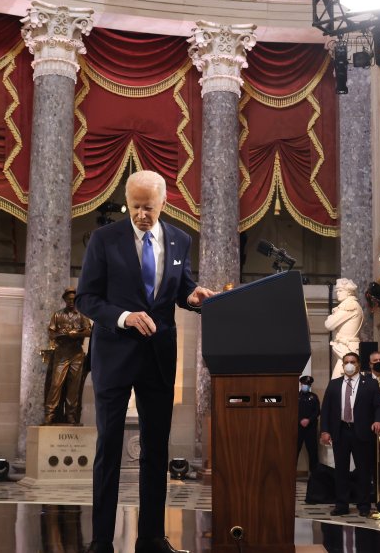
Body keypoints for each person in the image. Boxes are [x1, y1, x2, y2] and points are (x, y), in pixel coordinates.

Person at [76, 170, 215, 553]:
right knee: (108, 447)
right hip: (114, 355)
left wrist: (193, 295)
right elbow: (86, 298)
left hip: (158, 357)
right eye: (135, 207)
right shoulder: (104, 240)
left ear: (163, 204)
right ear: (127, 202)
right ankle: (102, 540)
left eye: (148, 208)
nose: (141, 214)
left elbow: (181, 286)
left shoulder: (180, 240)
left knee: (157, 448)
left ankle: (152, 538)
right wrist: (124, 317)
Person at [320, 351, 380, 517]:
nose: (349, 364)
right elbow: (326, 409)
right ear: (343, 365)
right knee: (340, 470)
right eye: (346, 362)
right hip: (340, 430)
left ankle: (364, 505)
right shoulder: (334, 384)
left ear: (358, 364)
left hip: (362, 431)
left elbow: (379, 406)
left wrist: (378, 420)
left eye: (352, 362)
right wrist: (325, 430)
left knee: (363, 470)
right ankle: (341, 504)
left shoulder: (369, 383)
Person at [44, 287, 94, 424]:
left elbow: (89, 332)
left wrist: (76, 334)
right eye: (68, 299)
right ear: (65, 300)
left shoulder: (81, 315)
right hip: (61, 353)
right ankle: (49, 413)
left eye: (73, 299)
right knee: (55, 384)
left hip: (76, 354)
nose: (71, 302)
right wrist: (64, 334)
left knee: (74, 386)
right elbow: (51, 334)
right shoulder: (58, 315)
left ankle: (71, 415)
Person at [325, 279, 363, 378]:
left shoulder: (350, 305)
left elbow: (329, 325)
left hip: (347, 350)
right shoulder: (350, 305)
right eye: (337, 291)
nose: (337, 293)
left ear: (349, 292)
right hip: (345, 349)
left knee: (338, 383)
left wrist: (331, 316)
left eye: (340, 290)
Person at [298, 375, 321, 472]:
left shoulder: (314, 397)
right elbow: (292, 411)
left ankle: (314, 477)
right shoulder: (295, 396)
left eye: (307, 385)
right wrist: (300, 420)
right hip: (297, 428)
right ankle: (290, 476)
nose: (305, 386)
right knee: (294, 452)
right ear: (301, 384)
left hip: (310, 429)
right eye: (304, 384)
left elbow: (317, 411)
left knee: (313, 453)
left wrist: (309, 420)